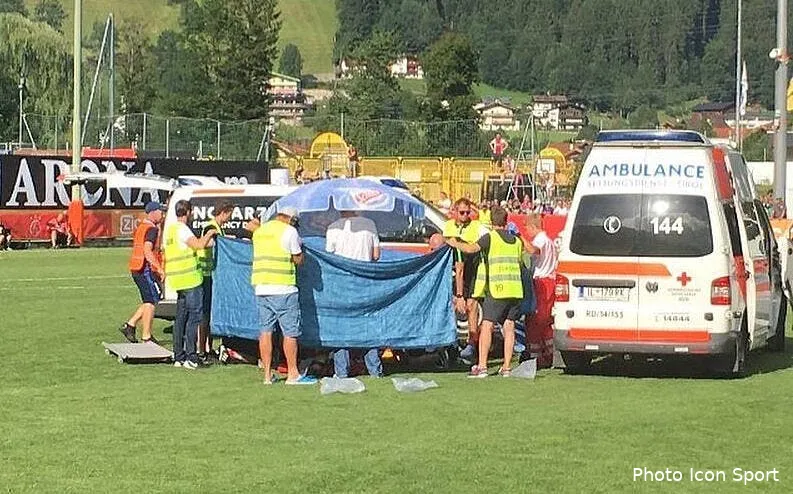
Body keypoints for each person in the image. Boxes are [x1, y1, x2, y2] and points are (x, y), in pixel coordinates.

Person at [447, 206, 526, 377]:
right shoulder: (517, 241)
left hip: (497, 289)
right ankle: (506, 367)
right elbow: (520, 262)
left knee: (486, 326)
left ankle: (482, 366)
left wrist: (455, 243)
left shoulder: (490, 237)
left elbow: (471, 249)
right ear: (506, 221)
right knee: (509, 327)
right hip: (515, 289)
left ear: (491, 221)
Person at [250, 206, 317, 385]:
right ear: (292, 219)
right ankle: (293, 373)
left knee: (265, 332)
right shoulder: (289, 232)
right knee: (290, 332)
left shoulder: (260, 232)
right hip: (284, 288)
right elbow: (297, 259)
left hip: (261, 287)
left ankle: (267, 375)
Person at [325, 210, 382, 378]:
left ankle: (341, 371)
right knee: (367, 324)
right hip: (364, 281)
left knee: (341, 325)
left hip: (341, 283)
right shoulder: (369, 224)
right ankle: (374, 369)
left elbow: (329, 257)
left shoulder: (333, 227)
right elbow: (376, 255)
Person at [164, 200, 216, 370]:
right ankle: (191, 357)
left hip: (178, 280)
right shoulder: (183, 229)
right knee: (194, 318)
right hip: (190, 279)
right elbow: (199, 245)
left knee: (180, 319)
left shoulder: (170, 230)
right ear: (188, 212)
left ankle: (178, 356)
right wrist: (210, 234)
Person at [442, 198, 490, 363]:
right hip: (455, 270)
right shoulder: (448, 226)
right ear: (455, 211)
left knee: (471, 306)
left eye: (467, 212)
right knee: (454, 306)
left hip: (473, 269)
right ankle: (452, 344)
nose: (464, 215)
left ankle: (471, 344)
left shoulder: (477, 226)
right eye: (461, 212)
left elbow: (488, 237)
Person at [119, 201, 167, 344]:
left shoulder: (142, 226)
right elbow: (147, 250)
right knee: (151, 302)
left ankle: (130, 325)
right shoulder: (151, 229)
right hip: (144, 269)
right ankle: (146, 336)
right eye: (161, 212)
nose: (163, 214)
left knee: (149, 300)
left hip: (136, 267)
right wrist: (159, 268)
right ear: (153, 213)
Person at [196, 200, 235, 362]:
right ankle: (202, 349)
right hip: (205, 274)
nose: (230, 218)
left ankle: (208, 347)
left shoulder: (218, 228)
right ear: (223, 212)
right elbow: (207, 244)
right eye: (229, 214)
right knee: (205, 314)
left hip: (212, 275)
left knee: (210, 313)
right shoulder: (210, 227)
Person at [524, 214, 558, 368]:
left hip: (542, 282)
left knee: (536, 320)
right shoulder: (549, 241)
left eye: (527, 228)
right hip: (549, 281)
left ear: (533, 227)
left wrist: (520, 238)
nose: (526, 232)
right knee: (545, 321)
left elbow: (533, 250)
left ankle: (537, 356)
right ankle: (549, 352)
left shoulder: (541, 240)